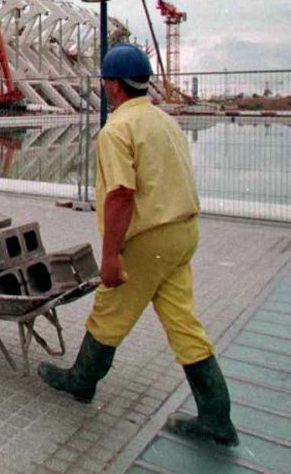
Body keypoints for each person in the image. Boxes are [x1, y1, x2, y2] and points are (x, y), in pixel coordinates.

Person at [38, 43, 239, 448]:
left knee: (109, 312)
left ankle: (80, 382)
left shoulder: (117, 130)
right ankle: (217, 418)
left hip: (148, 241)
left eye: (104, 83)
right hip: (183, 232)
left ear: (112, 85)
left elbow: (121, 196)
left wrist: (111, 257)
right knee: (184, 324)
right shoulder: (166, 122)